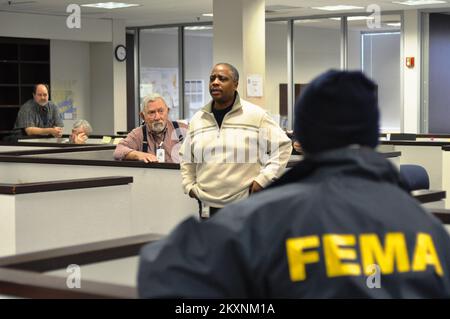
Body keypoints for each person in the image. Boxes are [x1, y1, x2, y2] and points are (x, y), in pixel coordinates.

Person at [138, 70, 450, 298]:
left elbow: (161, 274)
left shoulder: (260, 222)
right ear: (371, 137)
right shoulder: (428, 229)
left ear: (304, 138)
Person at [179, 63, 292, 218]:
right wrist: (189, 186)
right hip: (207, 205)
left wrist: (263, 180)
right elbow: (187, 158)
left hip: (244, 203)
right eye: (212, 78)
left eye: (222, 78)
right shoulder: (198, 119)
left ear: (235, 84)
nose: (215, 82)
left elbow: (283, 146)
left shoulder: (255, 115)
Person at [114, 93, 187, 163]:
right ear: (143, 116)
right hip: (149, 175)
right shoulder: (138, 134)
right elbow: (119, 150)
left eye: (161, 111)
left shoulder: (182, 129)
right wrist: (139, 155)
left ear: (167, 111)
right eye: (152, 112)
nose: (157, 117)